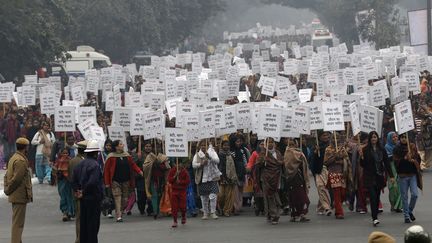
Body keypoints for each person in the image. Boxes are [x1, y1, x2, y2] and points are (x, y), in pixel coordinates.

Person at [360, 131, 395, 226]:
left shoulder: (382, 149)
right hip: (369, 176)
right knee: (372, 197)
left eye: (375, 137)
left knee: (377, 196)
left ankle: (375, 214)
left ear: (377, 138)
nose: (373, 139)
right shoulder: (365, 150)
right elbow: (362, 165)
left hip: (379, 176)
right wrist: (361, 158)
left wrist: (391, 176)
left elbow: (387, 163)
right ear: (369, 139)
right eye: (372, 137)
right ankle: (374, 217)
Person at [103, 140, 143, 222]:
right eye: (121, 144)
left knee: (125, 199)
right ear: (116, 147)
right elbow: (106, 170)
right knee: (117, 197)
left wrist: (139, 171)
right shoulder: (111, 156)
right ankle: (119, 215)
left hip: (126, 181)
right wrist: (107, 183)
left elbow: (133, 165)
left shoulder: (127, 155)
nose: (123, 145)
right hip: (115, 181)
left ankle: (120, 210)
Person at [72, 140, 104, 243]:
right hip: (93, 198)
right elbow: (92, 182)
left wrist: (78, 191)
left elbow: (73, 180)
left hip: (83, 199)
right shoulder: (95, 165)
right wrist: (84, 191)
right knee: (93, 225)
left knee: (84, 223)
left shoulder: (80, 165)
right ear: (95, 153)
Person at [4, 137, 33, 243]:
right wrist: (8, 190)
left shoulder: (14, 157)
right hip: (19, 195)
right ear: (25, 147)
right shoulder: (20, 160)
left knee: (17, 222)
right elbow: (16, 179)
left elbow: (7, 175)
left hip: (15, 195)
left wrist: (7, 188)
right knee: (18, 224)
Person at [393, 134, 422, 223]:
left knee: (414, 195)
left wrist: (413, 160)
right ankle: (406, 216)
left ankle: (409, 211)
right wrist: (404, 158)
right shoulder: (397, 149)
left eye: (405, 137)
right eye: (402, 137)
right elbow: (395, 161)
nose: (404, 139)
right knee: (404, 197)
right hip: (402, 176)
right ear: (400, 138)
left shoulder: (412, 146)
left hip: (412, 175)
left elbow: (418, 159)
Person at [255, 137, 284, 225]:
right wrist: (262, 161)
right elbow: (257, 165)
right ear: (265, 144)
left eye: (272, 142)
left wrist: (280, 162)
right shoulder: (263, 153)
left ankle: (275, 212)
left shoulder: (278, 153)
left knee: (276, 196)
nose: (270, 144)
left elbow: (282, 162)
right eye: (268, 142)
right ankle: (273, 215)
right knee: (268, 197)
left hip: (276, 178)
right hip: (266, 179)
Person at [323, 135, 351, 219]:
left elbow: (347, 160)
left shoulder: (342, 149)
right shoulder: (328, 149)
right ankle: (339, 212)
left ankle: (336, 204)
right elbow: (325, 162)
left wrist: (341, 161)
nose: (336, 140)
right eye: (335, 138)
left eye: (338, 139)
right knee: (337, 193)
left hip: (342, 174)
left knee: (343, 193)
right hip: (333, 173)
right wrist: (334, 157)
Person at [192, 140, 221, 220]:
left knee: (213, 196)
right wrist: (201, 164)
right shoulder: (197, 155)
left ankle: (213, 212)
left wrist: (210, 158)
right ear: (200, 146)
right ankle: (205, 213)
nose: (203, 146)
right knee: (204, 197)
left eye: (205, 145)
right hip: (202, 178)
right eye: (202, 145)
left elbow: (217, 161)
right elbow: (193, 165)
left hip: (212, 177)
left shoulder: (212, 152)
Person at [283, 139, 311, 222]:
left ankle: (302, 214)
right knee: (293, 198)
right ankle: (294, 215)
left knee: (302, 197)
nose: (292, 147)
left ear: (296, 145)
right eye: (290, 145)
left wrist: (301, 159)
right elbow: (288, 165)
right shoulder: (287, 153)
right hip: (291, 178)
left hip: (299, 178)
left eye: (293, 144)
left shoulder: (300, 153)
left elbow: (304, 164)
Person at [68, 140, 87, 243]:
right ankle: (80, 238)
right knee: (81, 216)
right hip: (82, 192)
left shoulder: (72, 161)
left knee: (79, 217)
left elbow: (70, 178)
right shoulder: (83, 162)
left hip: (76, 191)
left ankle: (79, 237)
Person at [310, 131, 332, 216]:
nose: (326, 137)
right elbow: (312, 160)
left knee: (325, 189)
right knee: (321, 187)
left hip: (328, 170)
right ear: (319, 137)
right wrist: (315, 153)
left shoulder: (331, 146)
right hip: (319, 170)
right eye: (324, 135)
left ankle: (320, 207)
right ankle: (327, 207)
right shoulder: (316, 147)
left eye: (327, 135)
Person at [143, 152, 170, 219]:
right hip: (153, 181)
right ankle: (155, 211)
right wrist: (153, 163)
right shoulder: (149, 157)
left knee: (161, 196)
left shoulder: (164, 158)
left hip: (162, 181)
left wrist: (160, 163)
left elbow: (167, 167)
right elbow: (145, 167)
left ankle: (159, 210)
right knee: (154, 196)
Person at [167, 158, 190, 227]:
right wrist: (175, 176)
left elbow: (187, 181)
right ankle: (175, 221)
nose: (180, 165)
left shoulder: (184, 171)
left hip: (182, 191)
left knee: (183, 206)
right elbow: (169, 180)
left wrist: (180, 182)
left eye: (181, 164)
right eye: (178, 164)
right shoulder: (173, 170)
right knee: (174, 207)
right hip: (174, 191)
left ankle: (183, 216)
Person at [218, 140, 238, 217]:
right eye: (225, 145)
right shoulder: (219, 154)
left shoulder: (231, 155)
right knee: (221, 195)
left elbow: (234, 166)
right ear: (222, 146)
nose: (226, 147)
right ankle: (221, 208)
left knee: (229, 195)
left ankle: (227, 210)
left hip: (230, 177)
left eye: (228, 145)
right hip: (222, 177)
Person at [54, 147, 75, 221]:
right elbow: (55, 170)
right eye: (63, 153)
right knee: (63, 197)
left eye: (66, 153)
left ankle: (69, 212)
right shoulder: (58, 161)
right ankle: (65, 212)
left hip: (69, 181)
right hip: (62, 181)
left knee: (70, 197)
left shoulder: (71, 161)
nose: (65, 154)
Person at [384, 131, 403, 213]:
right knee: (393, 187)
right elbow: (386, 158)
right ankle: (393, 204)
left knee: (400, 186)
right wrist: (394, 155)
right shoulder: (387, 147)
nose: (395, 138)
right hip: (391, 168)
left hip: (400, 167)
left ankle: (399, 206)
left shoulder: (400, 145)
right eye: (393, 137)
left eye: (396, 136)